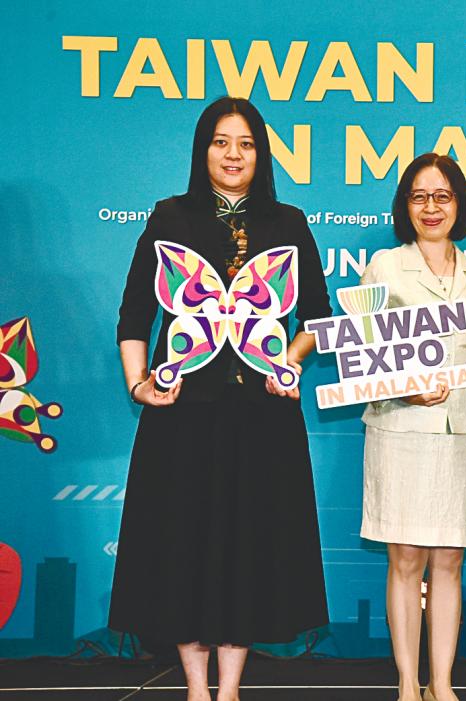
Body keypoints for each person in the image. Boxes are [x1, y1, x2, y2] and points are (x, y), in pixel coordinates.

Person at [109, 97, 330, 701]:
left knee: (247, 549)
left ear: (261, 154)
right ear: (202, 150)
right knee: (183, 546)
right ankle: (195, 688)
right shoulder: (170, 218)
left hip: (262, 420)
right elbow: (134, 316)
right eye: (221, 142)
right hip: (184, 418)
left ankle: (229, 689)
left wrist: (289, 358)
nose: (234, 155)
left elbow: (316, 317)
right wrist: (141, 385)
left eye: (247, 144)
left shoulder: (289, 223)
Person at [358, 153, 466, 701]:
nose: (432, 208)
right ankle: (408, 683)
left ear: (459, 205)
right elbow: (363, 355)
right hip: (402, 426)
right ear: (406, 206)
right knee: (405, 559)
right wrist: (405, 385)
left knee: (449, 559)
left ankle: (442, 683)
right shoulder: (384, 266)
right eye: (420, 197)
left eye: (443, 196)